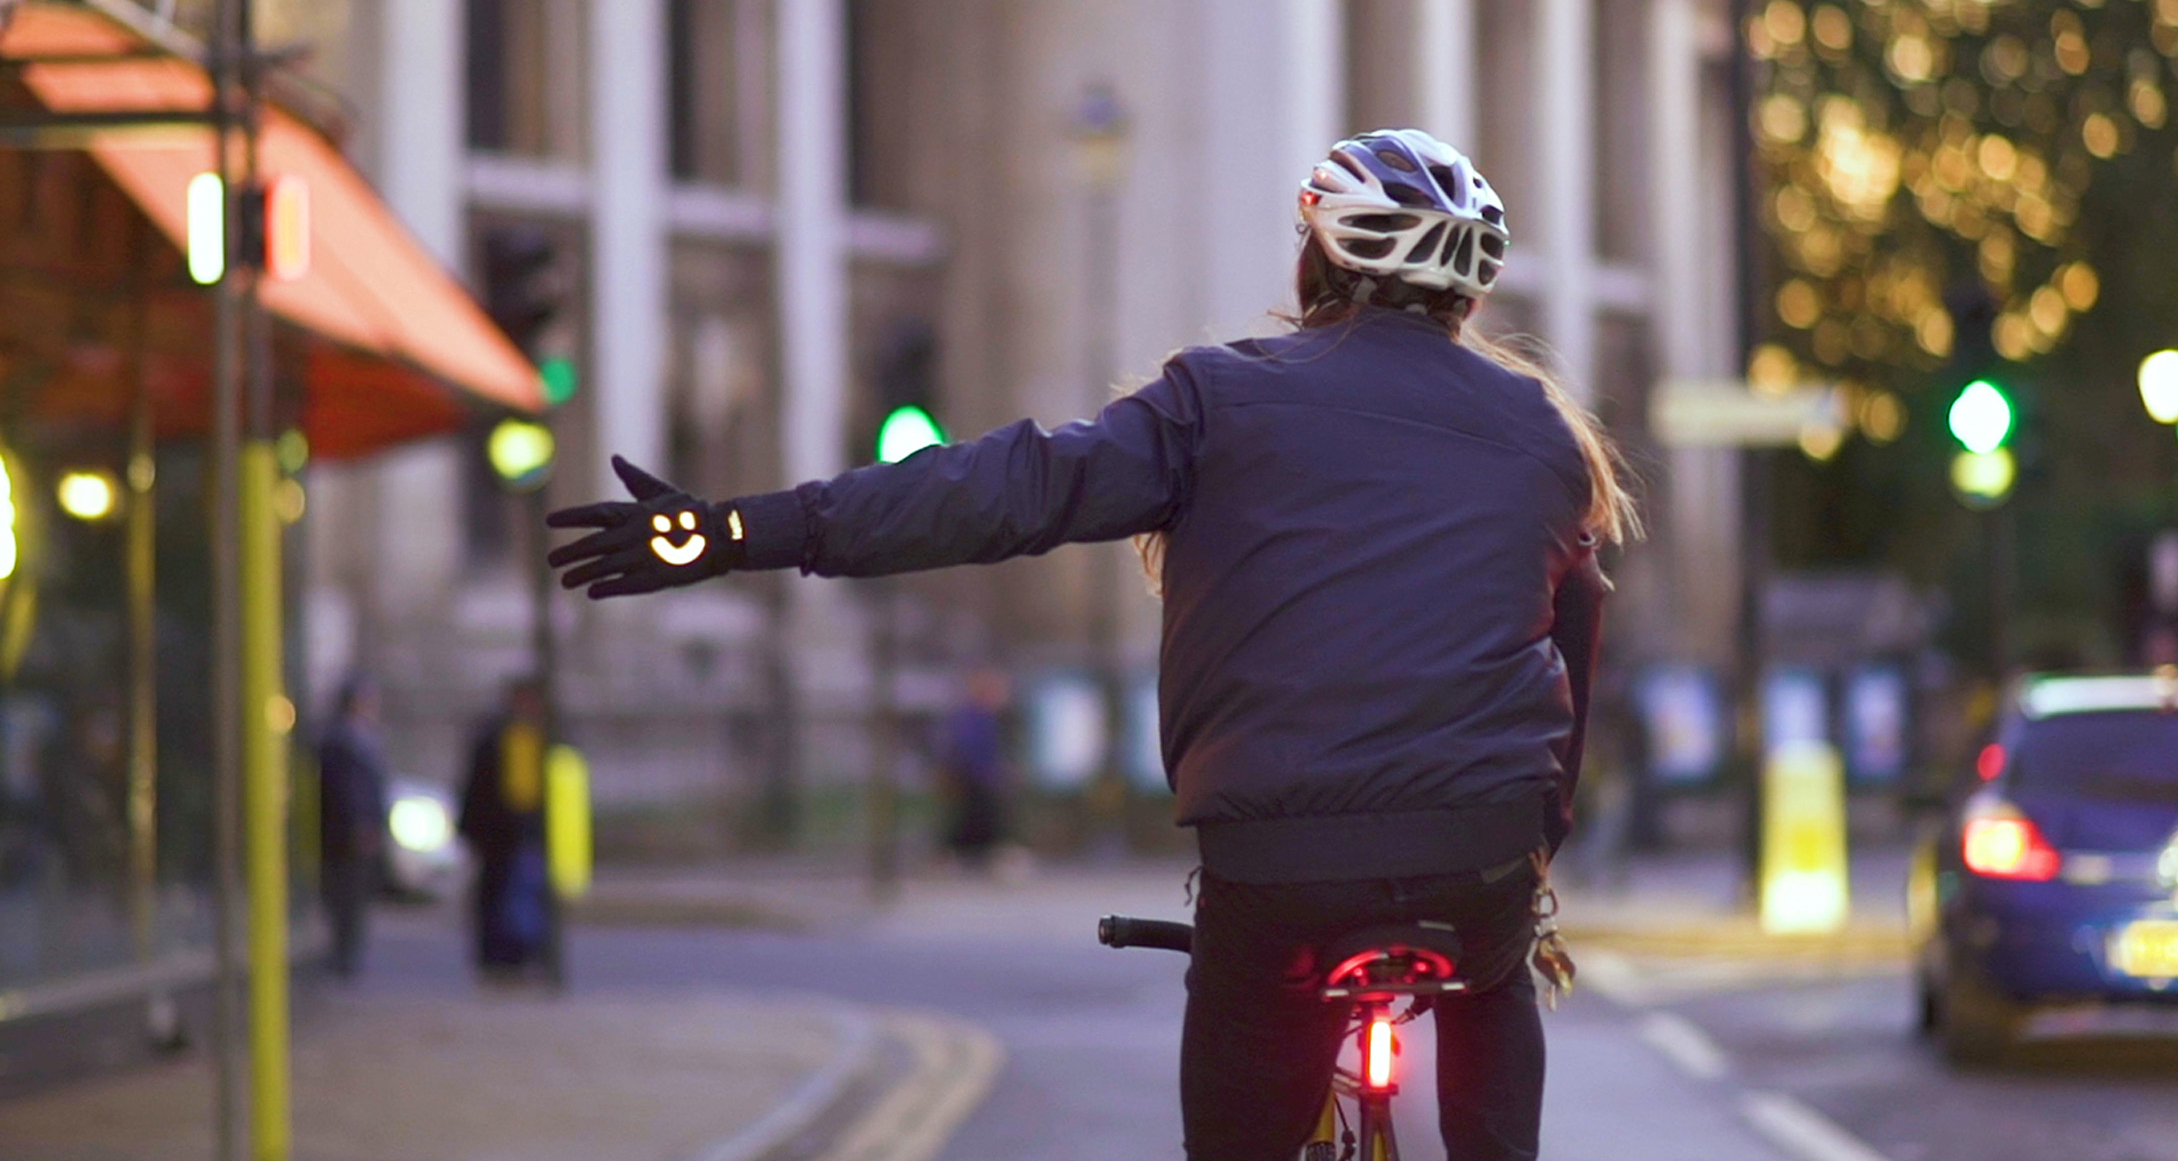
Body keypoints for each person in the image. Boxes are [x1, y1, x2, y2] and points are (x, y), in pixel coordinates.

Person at [547, 128, 1632, 1161]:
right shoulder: (1541, 430)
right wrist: (1534, 843)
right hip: (1476, 853)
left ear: (1320, 256)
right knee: (1495, 982)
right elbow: (1574, 643)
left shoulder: (1220, 399)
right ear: (1468, 293)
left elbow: (1004, 491)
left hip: (1280, 866)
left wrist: (740, 529)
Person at [456, 680, 552, 978]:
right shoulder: (496, 736)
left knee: (525, 896)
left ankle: (523, 954)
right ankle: (499, 958)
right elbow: (477, 788)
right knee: (497, 898)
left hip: (523, 834)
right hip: (498, 836)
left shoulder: (538, 736)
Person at [315, 674, 390, 978]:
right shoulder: (344, 742)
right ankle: (344, 956)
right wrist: (360, 824)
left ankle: (347, 955)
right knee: (345, 897)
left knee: (353, 896)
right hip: (346, 834)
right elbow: (348, 790)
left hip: (354, 831)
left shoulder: (360, 739)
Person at [936, 668, 1012, 869]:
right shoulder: (972, 717)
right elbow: (967, 748)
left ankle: (974, 854)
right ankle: (953, 854)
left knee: (979, 817)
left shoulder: (985, 718)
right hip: (973, 777)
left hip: (980, 776)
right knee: (973, 815)